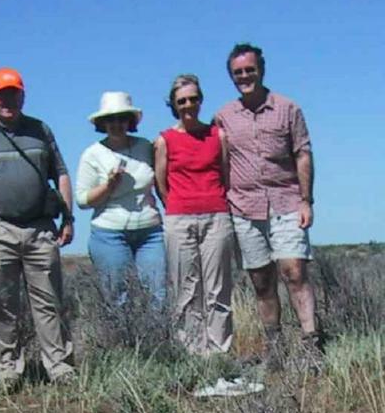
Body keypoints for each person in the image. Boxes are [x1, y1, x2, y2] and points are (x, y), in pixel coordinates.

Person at [0, 67, 75, 389]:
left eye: (13, 93)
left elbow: (61, 173)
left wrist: (68, 218)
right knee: (1, 305)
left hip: (41, 229)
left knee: (49, 302)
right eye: (1, 94)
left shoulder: (40, 130)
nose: (8, 100)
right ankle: (8, 370)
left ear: (23, 94)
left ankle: (60, 368)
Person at [215, 43, 321, 366]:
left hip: (287, 202)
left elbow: (303, 153)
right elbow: (220, 162)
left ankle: (311, 345)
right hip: (245, 208)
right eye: (238, 72)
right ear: (231, 76)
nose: (244, 76)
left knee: (294, 271)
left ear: (261, 69)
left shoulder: (288, 109)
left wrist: (306, 200)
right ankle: (274, 348)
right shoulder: (223, 116)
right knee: (261, 281)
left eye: (250, 69)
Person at [154, 75, 233, 354]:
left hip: (216, 215)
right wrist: (176, 204)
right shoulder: (165, 140)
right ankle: (193, 352)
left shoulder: (217, 135)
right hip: (179, 217)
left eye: (193, 99)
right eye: (182, 101)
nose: (189, 105)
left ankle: (219, 352)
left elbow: (225, 175)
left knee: (217, 288)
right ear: (174, 105)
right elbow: (161, 182)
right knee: (187, 290)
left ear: (201, 100)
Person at [76, 92, 165, 305]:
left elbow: (162, 180)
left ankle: (162, 338)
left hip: (149, 232)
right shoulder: (93, 154)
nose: (116, 124)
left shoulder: (145, 147)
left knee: (158, 293)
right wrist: (108, 186)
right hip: (109, 233)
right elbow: (82, 200)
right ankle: (121, 338)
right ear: (102, 123)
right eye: (110, 119)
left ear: (130, 121)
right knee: (118, 298)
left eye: (122, 118)